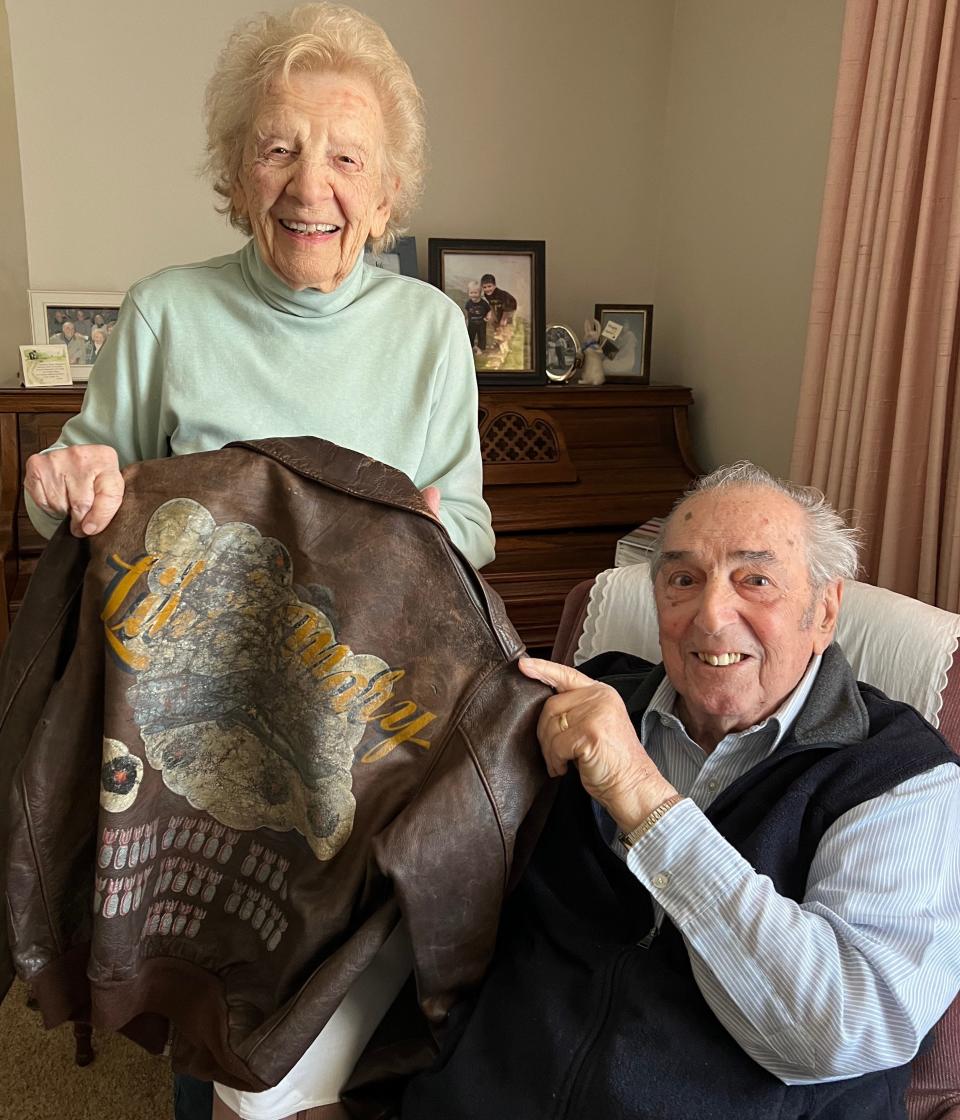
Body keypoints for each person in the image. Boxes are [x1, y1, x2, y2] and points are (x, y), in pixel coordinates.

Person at [23, 4, 495, 1118]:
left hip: (351, 723)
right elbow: (79, 475)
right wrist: (63, 476)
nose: (308, 185)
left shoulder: (431, 331)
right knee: (214, 986)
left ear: (386, 195)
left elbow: (470, 531)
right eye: (277, 147)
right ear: (236, 173)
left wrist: (429, 521)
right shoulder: (167, 313)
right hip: (189, 715)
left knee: (341, 1000)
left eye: (345, 158)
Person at [402, 461, 960, 1120]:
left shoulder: (901, 775)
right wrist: (420, 605)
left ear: (825, 609)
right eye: (683, 580)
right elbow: (435, 753)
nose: (711, 615)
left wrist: (638, 792)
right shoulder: (595, 694)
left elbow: (843, 1029)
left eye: (755, 580)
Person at [463, 281, 491, 353]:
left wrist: (488, 316)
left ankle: (480, 348)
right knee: (470, 335)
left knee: (481, 336)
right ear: (468, 293)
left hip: (481, 323)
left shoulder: (483, 303)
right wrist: (466, 318)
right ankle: (471, 347)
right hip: (472, 323)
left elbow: (489, 310)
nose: (473, 295)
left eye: (475, 293)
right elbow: (466, 311)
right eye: (471, 293)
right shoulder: (469, 303)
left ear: (480, 293)